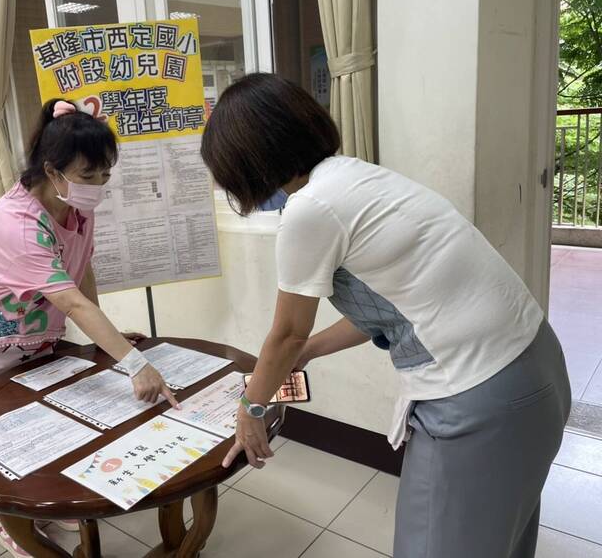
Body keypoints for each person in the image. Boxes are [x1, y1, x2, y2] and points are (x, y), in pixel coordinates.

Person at [201, 73, 571, 558]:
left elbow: (287, 332)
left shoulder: (310, 209)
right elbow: (395, 307)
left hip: (479, 400)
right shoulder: (358, 176)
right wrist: (308, 352)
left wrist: (251, 409)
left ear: (249, 163)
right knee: (500, 540)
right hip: (535, 371)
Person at [0, 99, 178, 556]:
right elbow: (68, 299)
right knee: (4, 421)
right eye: (88, 177)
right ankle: (12, 521)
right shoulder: (18, 224)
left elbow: (81, 268)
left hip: (30, 318)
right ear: (52, 170)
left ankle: (42, 491)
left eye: (104, 175)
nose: (98, 186)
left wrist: (105, 335)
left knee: (46, 405)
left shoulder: (75, 205)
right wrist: (135, 364)